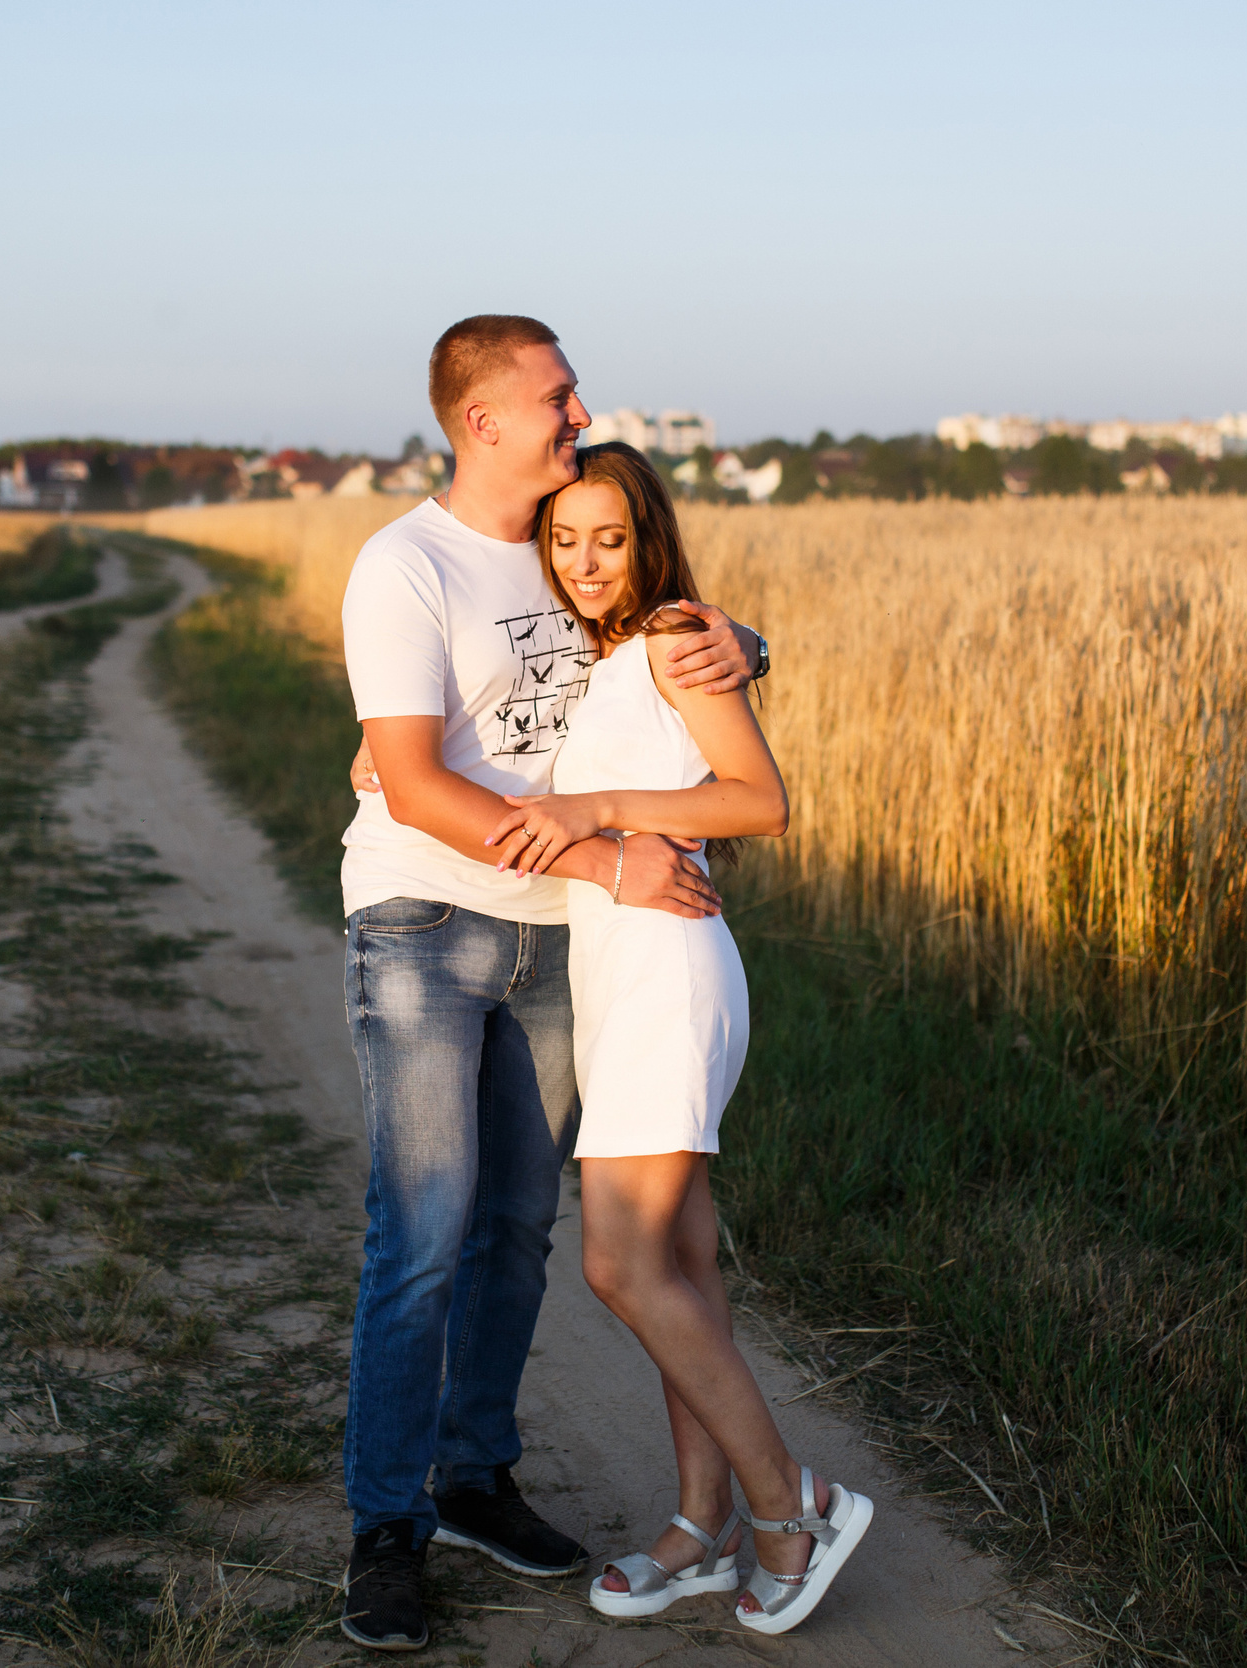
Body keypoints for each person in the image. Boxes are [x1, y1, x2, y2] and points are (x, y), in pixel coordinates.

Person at [335, 315, 761, 1652]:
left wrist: (743, 642)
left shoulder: (560, 536)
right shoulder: (403, 566)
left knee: (515, 1229)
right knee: (424, 1228)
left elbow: (649, 624)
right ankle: (387, 1527)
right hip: (424, 922)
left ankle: (474, 1477)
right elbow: (406, 778)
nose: (580, 411)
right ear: (483, 421)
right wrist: (619, 848)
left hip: (558, 936)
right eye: (557, 395)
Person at [481, 442, 873, 1635]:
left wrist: (596, 806)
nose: (585, 563)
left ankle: (789, 1504)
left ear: (645, 534)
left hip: (666, 977)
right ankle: (701, 1526)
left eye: (608, 538)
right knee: (681, 1271)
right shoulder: (611, 658)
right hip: (623, 976)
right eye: (564, 541)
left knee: (618, 1264)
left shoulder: (667, 638)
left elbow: (760, 799)